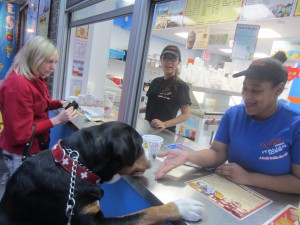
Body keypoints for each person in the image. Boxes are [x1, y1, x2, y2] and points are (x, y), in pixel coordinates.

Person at [155, 57, 300, 194]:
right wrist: (188, 156)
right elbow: (217, 153)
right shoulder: (233, 115)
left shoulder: (295, 124)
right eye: (244, 88)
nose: (247, 96)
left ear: (278, 90)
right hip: (235, 196)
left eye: (256, 91)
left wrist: (249, 178)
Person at [0, 36, 77, 183]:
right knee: (25, 198)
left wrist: (59, 103)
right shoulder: (17, 85)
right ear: (35, 58)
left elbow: (37, 103)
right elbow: (20, 133)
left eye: (55, 62)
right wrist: (57, 120)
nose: (53, 67)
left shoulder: (34, 77)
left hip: (32, 149)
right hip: (20, 153)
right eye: (49, 62)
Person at [140, 45, 191, 132]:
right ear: (161, 60)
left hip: (166, 132)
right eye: (165, 58)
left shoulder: (181, 86)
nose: (169, 62)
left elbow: (186, 114)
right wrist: (135, 110)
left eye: (173, 58)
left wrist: (164, 124)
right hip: (147, 128)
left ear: (178, 62)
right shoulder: (155, 82)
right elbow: (151, 106)